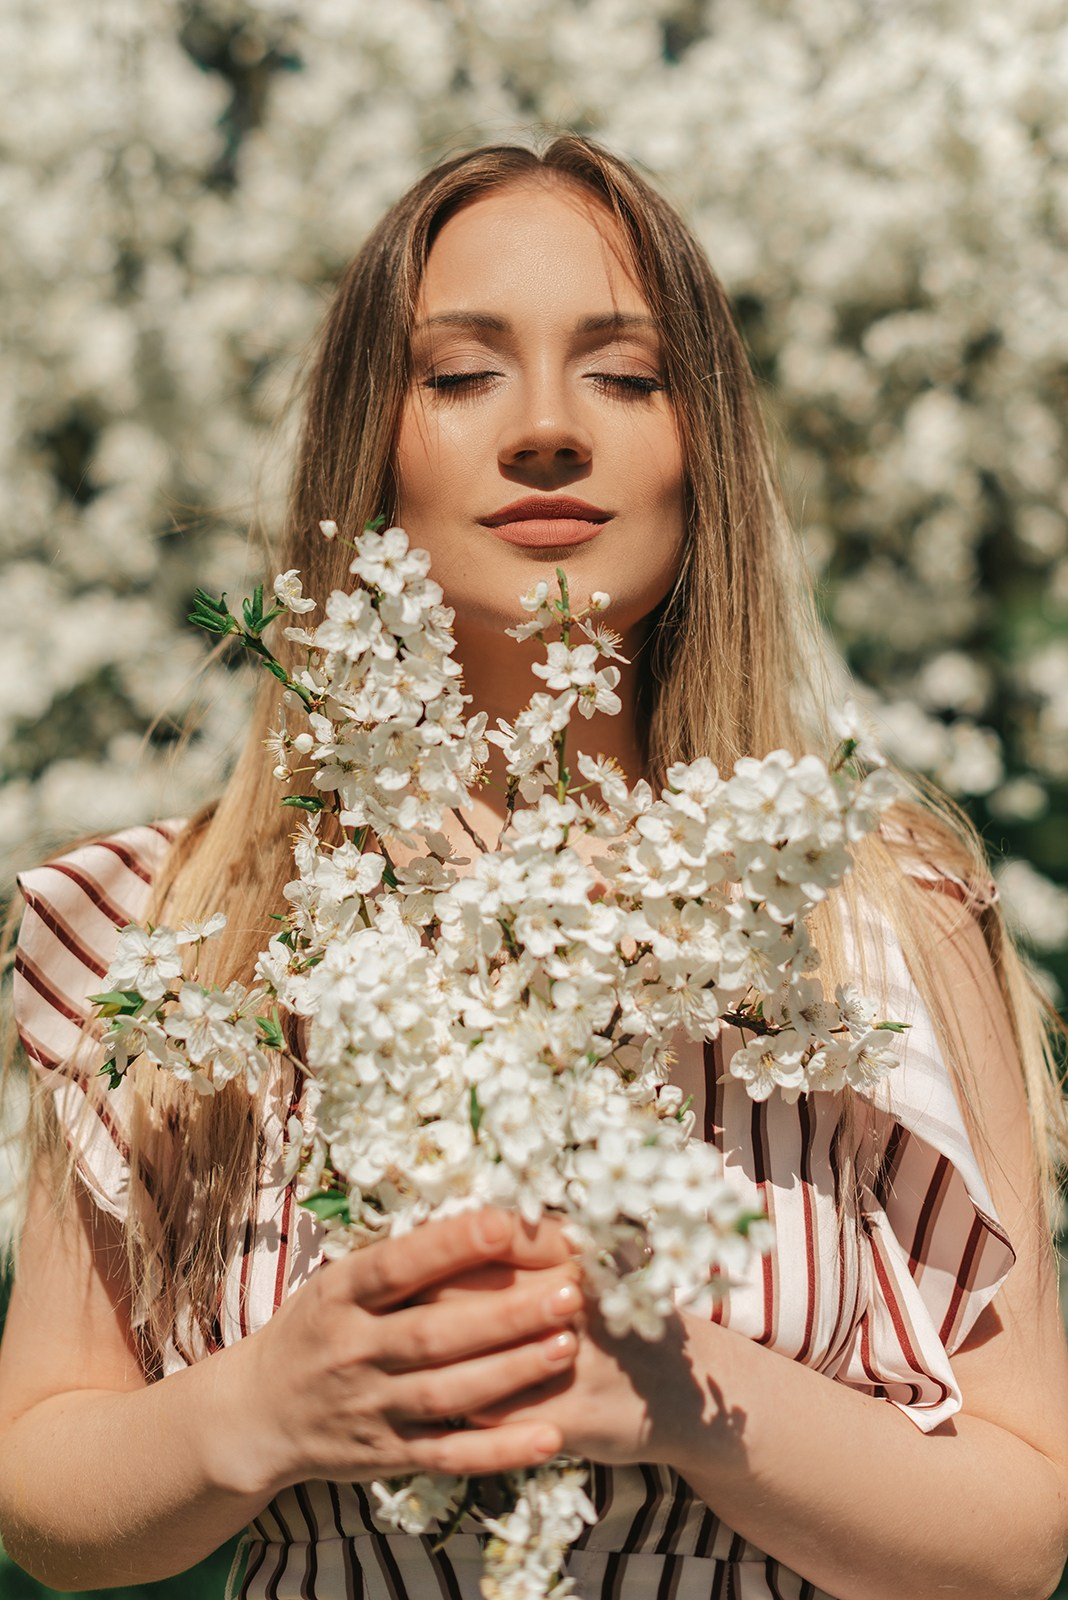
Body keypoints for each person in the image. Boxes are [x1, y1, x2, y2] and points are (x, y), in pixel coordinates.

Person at [2, 135, 1067, 1600]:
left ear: (703, 448)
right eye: (461, 374)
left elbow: (1018, 1528)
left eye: (625, 376)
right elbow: (41, 1489)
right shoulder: (180, 929)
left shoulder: (868, 916)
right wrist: (263, 1407)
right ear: (370, 444)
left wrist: (672, 1389)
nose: (548, 429)